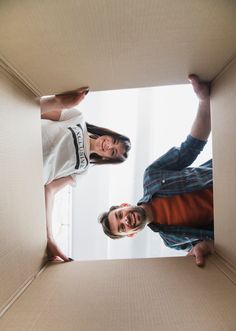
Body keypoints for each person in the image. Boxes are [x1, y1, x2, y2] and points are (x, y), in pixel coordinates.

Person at [99, 75, 214, 267]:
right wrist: (204, 247)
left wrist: (204, 101)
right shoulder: (172, 241)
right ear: (131, 234)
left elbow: (192, 146)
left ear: (125, 205)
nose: (125, 220)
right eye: (122, 227)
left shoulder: (153, 175)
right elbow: (214, 245)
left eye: (120, 215)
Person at [40, 87, 131, 262]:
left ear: (106, 158)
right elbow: (35, 111)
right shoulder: (77, 118)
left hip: (26, 174)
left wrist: (49, 236)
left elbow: (49, 190)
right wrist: (58, 102)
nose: (108, 146)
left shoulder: (82, 170)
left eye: (112, 152)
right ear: (109, 134)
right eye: (113, 141)